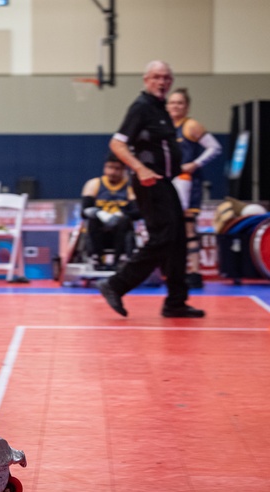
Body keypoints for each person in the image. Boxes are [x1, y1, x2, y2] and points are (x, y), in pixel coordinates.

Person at [97, 61, 204, 318]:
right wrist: (140, 169)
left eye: (166, 77)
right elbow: (117, 143)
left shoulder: (160, 108)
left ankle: (176, 302)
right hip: (150, 182)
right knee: (163, 238)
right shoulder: (141, 107)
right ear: (146, 79)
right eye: (156, 77)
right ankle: (116, 284)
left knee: (178, 240)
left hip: (166, 182)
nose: (162, 82)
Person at [167, 88, 223, 289]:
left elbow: (215, 147)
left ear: (187, 106)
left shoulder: (191, 126)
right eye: (172, 103)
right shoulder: (164, 127)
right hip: (170, 182)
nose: (175, 106)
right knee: (172, 228)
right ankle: (176, 270)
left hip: (188, 183)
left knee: (188, 227)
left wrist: (196, 164)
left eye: (179, 103)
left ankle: (194, 272)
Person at [80, 154, 140, 269]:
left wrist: (120, 215)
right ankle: (97, 258)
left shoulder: (130, 187)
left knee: (124, 221)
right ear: (104, 168)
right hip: (99, 230)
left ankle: (117, 261)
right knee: (93, 220)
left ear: (124, 170)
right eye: (109, 167)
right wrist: (100, 214)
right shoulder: (94, 184)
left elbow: (138, 213)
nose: (112, 172)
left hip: (121, 230)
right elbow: (84, 212)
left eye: (117, 168)